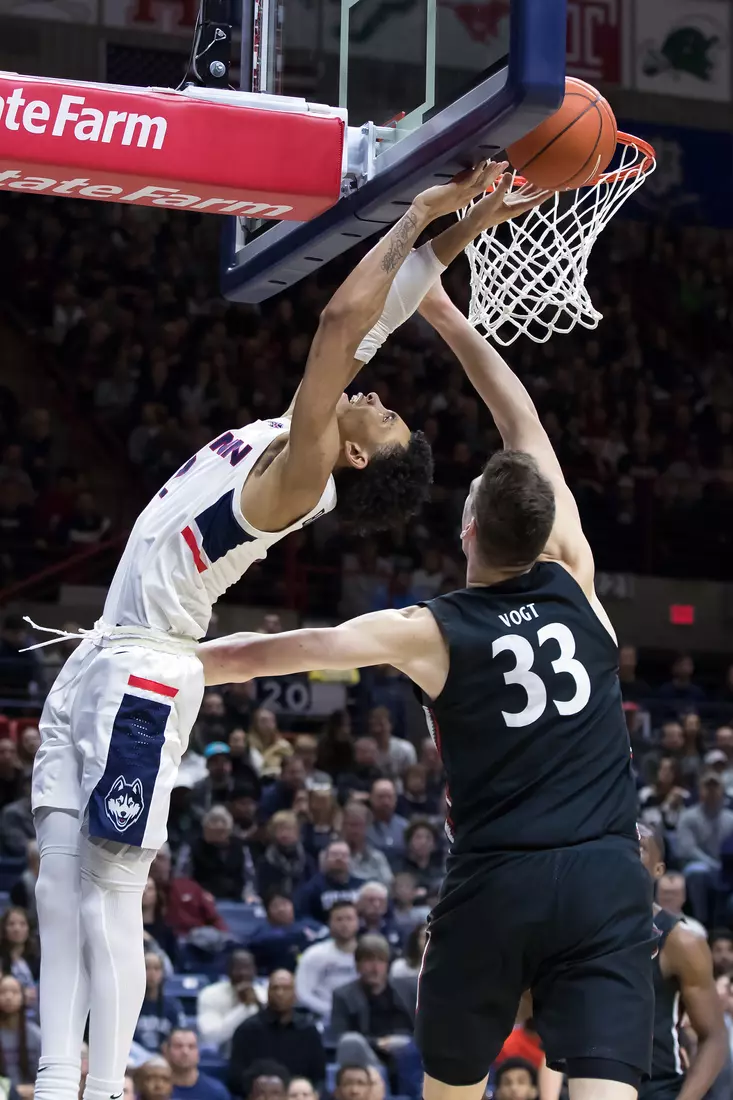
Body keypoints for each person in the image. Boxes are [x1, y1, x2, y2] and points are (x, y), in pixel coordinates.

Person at [29, 162, 510, 1100]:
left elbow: (340, 324)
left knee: (111, 890)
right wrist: (469, 225)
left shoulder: (299, 475)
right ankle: (53, 1079)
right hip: (99, 656)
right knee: (55, 882)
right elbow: (385, 311)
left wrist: (417, 208)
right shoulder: (309, 430)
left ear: (358, 455)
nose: (380, 395)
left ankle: (97, 1089)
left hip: (148, 674)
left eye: (389, 416)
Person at [199, 250, 657, 1100]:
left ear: (467, 527)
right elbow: (526, 429)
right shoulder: (574, 575)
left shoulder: (431, 631)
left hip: (498, 879)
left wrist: (175, 660)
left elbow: (287, 650)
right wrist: (449, 320)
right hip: (604, 875)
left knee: (447, 1086)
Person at [639, 825, 727, 1100]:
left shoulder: (680, 942)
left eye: (637, 848)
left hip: (658, 1087)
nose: (624, 855)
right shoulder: (579, 932)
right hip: (588, 1084)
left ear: (658, 870)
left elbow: (715, 1038)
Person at [229, 970, 326, 1093]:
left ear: (295, 994)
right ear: (268, 992)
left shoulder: (309, 1031)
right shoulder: (247, 1030)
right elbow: (236, 1079)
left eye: (286, 988)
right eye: (275, 988)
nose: (280, 993)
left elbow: (319, 1078)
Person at [329, 935, 417, 1064]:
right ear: (357, 964)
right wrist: (377, 1043)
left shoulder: (407, 989)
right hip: (366, 1059)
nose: (375, 968)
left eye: (381, 961)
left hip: (408, 1055)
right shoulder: (343, 996)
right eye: (368, 960)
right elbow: (341, 1040)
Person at [677, 772, 733, 925]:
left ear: (722, 790)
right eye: (708, 787)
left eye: (715, 787)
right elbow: (687, 850)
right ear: (700, 790)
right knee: (697, 871)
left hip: (726, 869)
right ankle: (702, 922)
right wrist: (714, 865)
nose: (712, 791)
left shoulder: (730, 818)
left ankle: (723, 926)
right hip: (698, 866)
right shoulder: (688, 816)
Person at [294, 901, 359, 1021]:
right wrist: (332, 1011)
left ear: (358, 922)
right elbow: (302, 993)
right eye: (339, 919)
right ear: (330, 923)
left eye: (349, 919)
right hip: (322, 1017)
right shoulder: (314, 955)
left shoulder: (367, 954)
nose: (345, 924)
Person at [196, 950, 266, 1054]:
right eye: (238, 968)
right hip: (224, 1057)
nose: (243, 973)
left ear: (255, 971)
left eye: (247, 968)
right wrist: (244, 1007)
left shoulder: (263, 995)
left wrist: (258, 1005)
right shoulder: (210, 994)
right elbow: (211, 1036)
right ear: (228, 971)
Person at [249, 893, 326, 976]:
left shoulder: (307, 924)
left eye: (285, 904)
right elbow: (259, 942)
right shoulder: (264, 932)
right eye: (275, 906)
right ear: (268, 912)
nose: (281, 909)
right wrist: (300, 937)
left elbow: (326, 934)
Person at [294, 841, 362, 925]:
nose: (339, 858)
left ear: (350, 860)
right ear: (325, 859)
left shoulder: (361, 886)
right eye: (334, 855)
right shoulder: (311, 888)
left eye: (344, 855)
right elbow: (303, 917)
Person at [134, 952, 187, 1054]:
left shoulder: (172, 1005)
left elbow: (180, 1034)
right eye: (146, 968)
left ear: (163, 973)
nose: (151, 973)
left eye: (156, 968)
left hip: (166, 1058)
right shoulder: (129, 1006)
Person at [257, 811, 316, 899]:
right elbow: (261, 889)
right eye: (280, 829)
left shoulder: (307, 860)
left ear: (297, 832)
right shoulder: (265, 861)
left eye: (289, 829)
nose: (285, 834)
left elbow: (312, 887)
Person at [0, 975, 41, 1098]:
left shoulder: (35, 1035)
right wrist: (13, 1090)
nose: (8, 997)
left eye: (14, 992)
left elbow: (42, 1073)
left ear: (23, 997)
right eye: (3, 992)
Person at [165, 1028, 230, 1100]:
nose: (185, 1052)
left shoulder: (216, 1092)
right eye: (178, 1046)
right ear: (167, 1051)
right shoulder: (154, 1091)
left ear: (198, 1053)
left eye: (191, 1046)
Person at [340, 803, 393, 887]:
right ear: (342, 826)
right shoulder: (331, 857)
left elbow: (387, 886)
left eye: (359, 825)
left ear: (367, 827)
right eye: (350, 824)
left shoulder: (377, 858)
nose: (354, 830)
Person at [654, 872, 707, 939]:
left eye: (675, 893)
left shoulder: (696, 929)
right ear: (656, 895)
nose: (670, 897)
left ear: (684, 896)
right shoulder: (645, 926)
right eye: (665, 892)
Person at [366, 780, 408, 858]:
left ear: (396, 799)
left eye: (389, 797)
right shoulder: (362, 826)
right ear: (371, 798)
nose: (385, 802)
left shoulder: (405, 827)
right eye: (381, 797)